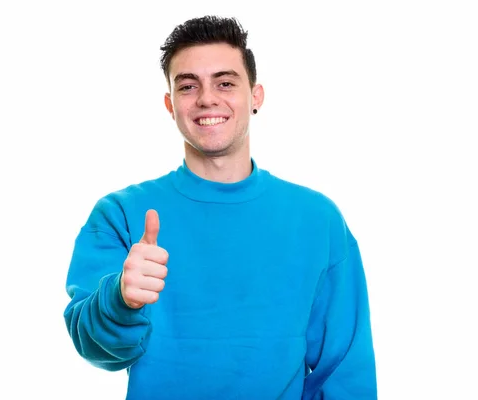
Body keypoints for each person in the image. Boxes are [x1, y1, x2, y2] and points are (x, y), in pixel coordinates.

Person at [63, 15, 377, 399]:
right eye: (188, 86)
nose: (207, 98)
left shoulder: (318, 220)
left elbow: (346, 371)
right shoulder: (121, 214)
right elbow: (93, 346)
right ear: (170, 103)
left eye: (225, 83)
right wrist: (120, 298)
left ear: (255, 95)